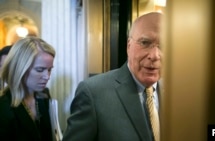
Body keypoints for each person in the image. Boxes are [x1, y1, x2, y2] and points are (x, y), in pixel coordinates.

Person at [63, 12, 162, 141]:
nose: (155, 55)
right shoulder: (93, 93)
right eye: (145, 43)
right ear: (128, 46)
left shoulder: (181, 94)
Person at [0, 37, 56, 141]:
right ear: (20, 68)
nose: (47, 76)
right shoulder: (3, 106)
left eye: (49, 70)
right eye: (40, 70)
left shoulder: (43, 96)